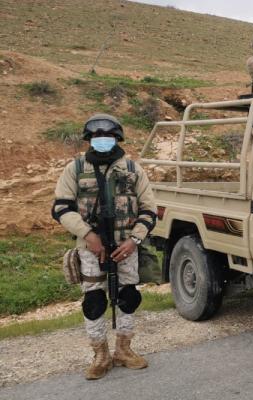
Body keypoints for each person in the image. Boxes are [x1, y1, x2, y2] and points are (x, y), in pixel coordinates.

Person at [51, 114, 157, 380]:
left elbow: (149, 210)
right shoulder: (75, 169)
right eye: (97, 136)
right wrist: (88, 235)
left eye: (107, 136)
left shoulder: (133, 169)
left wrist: (134, 240)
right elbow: (61, 208)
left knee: (129, 296)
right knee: (94, 301)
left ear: (117, 138)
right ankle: (100, 355)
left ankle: (124, 350)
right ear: (89, 139)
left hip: (126, 248)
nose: (102, 140)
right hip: (91, 249)